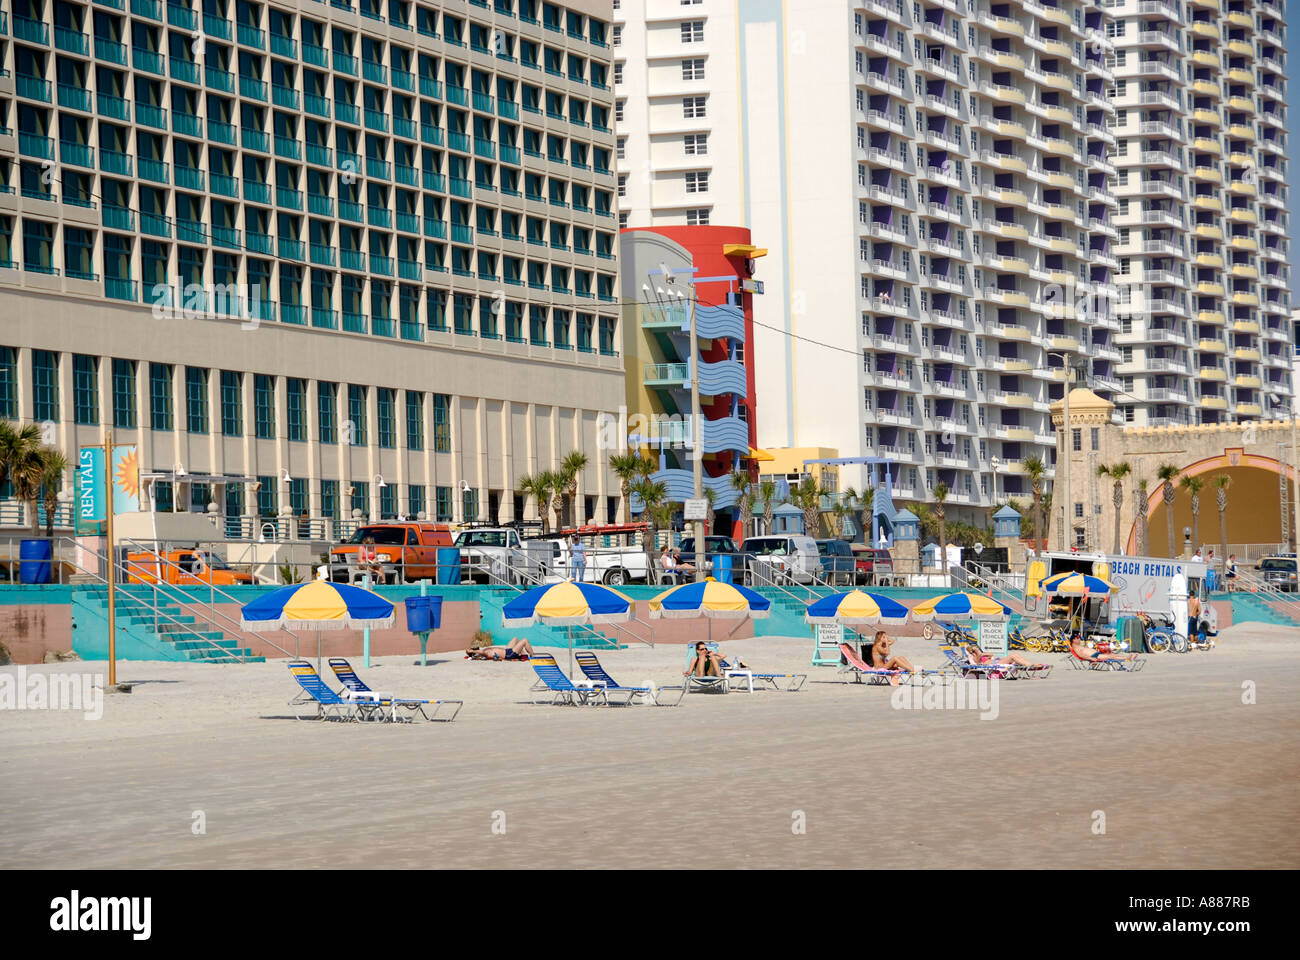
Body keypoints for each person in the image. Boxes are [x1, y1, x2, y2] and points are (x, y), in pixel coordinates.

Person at [1070, 635, 1140, 664]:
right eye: (1078, 638)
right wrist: (1091, 658)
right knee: (1110, 656)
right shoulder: (1076, 648)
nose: (1079, 639)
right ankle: (1127, 658)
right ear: (1074, 640)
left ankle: (1127, 658)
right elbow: (1081, 655)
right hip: (1094, 656)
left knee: (1111, 655)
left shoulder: (1079, 646)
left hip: (1096, 654)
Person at [466, 637, 534, 661]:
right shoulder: (484, 653)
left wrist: (471, 651)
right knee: (525, 640)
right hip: (509, 655)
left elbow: (480, 651)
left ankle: (523, 654)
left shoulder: (484, 650)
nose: (472, 647)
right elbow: (481, 652)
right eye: (471, 649)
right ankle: (533, 655)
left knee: (515, 639)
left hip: (507, 650)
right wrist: (471, 651)